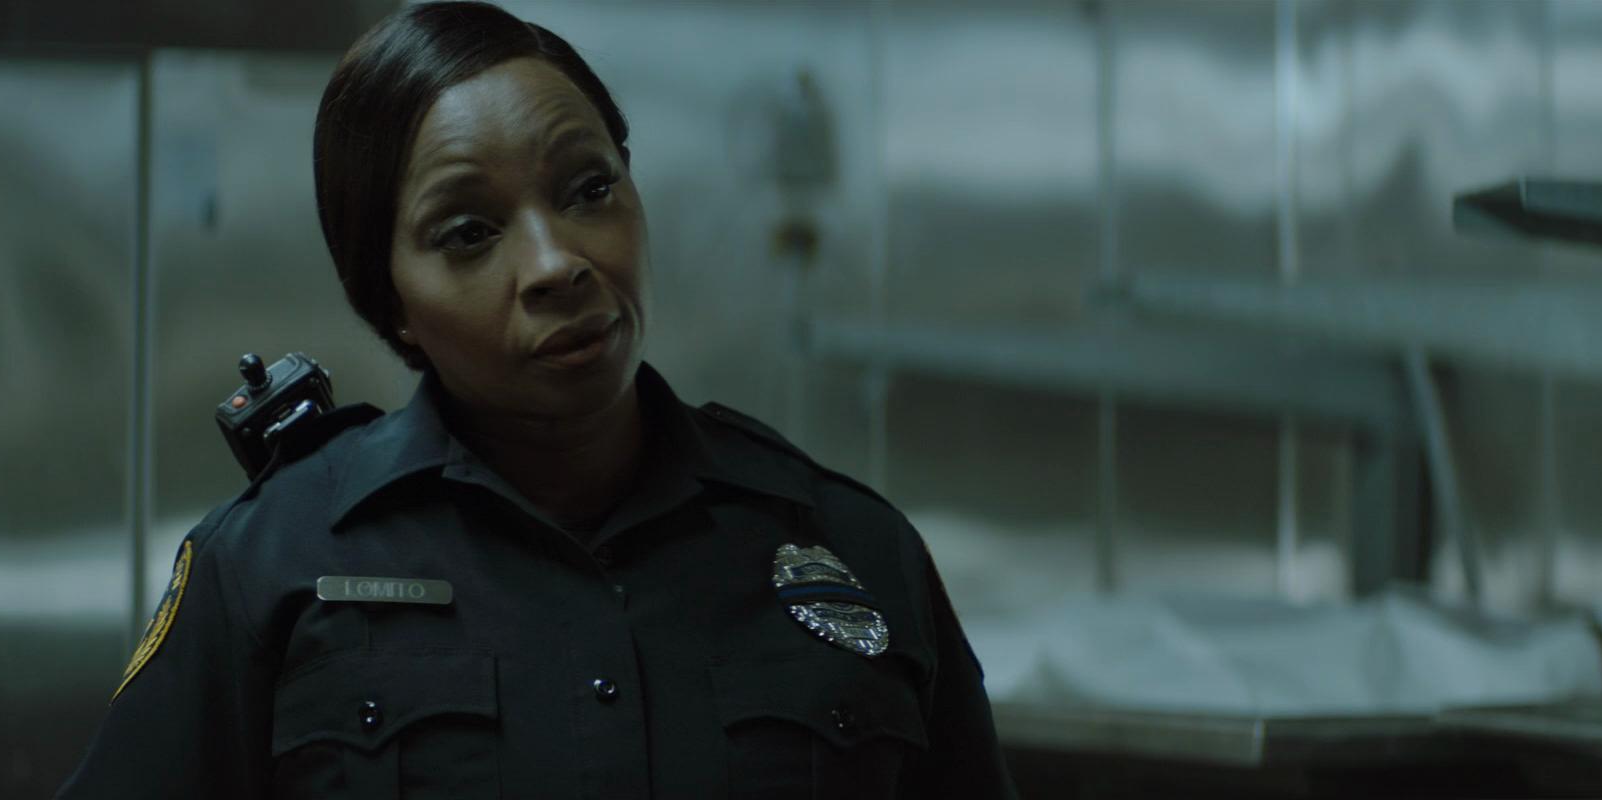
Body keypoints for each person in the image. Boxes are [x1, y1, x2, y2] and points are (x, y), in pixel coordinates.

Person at [57, 3, 1017, 797]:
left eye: (590, 189)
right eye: (469, 233)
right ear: (391, 304)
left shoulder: (851, 549)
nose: (558, 263)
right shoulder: (271, 566)